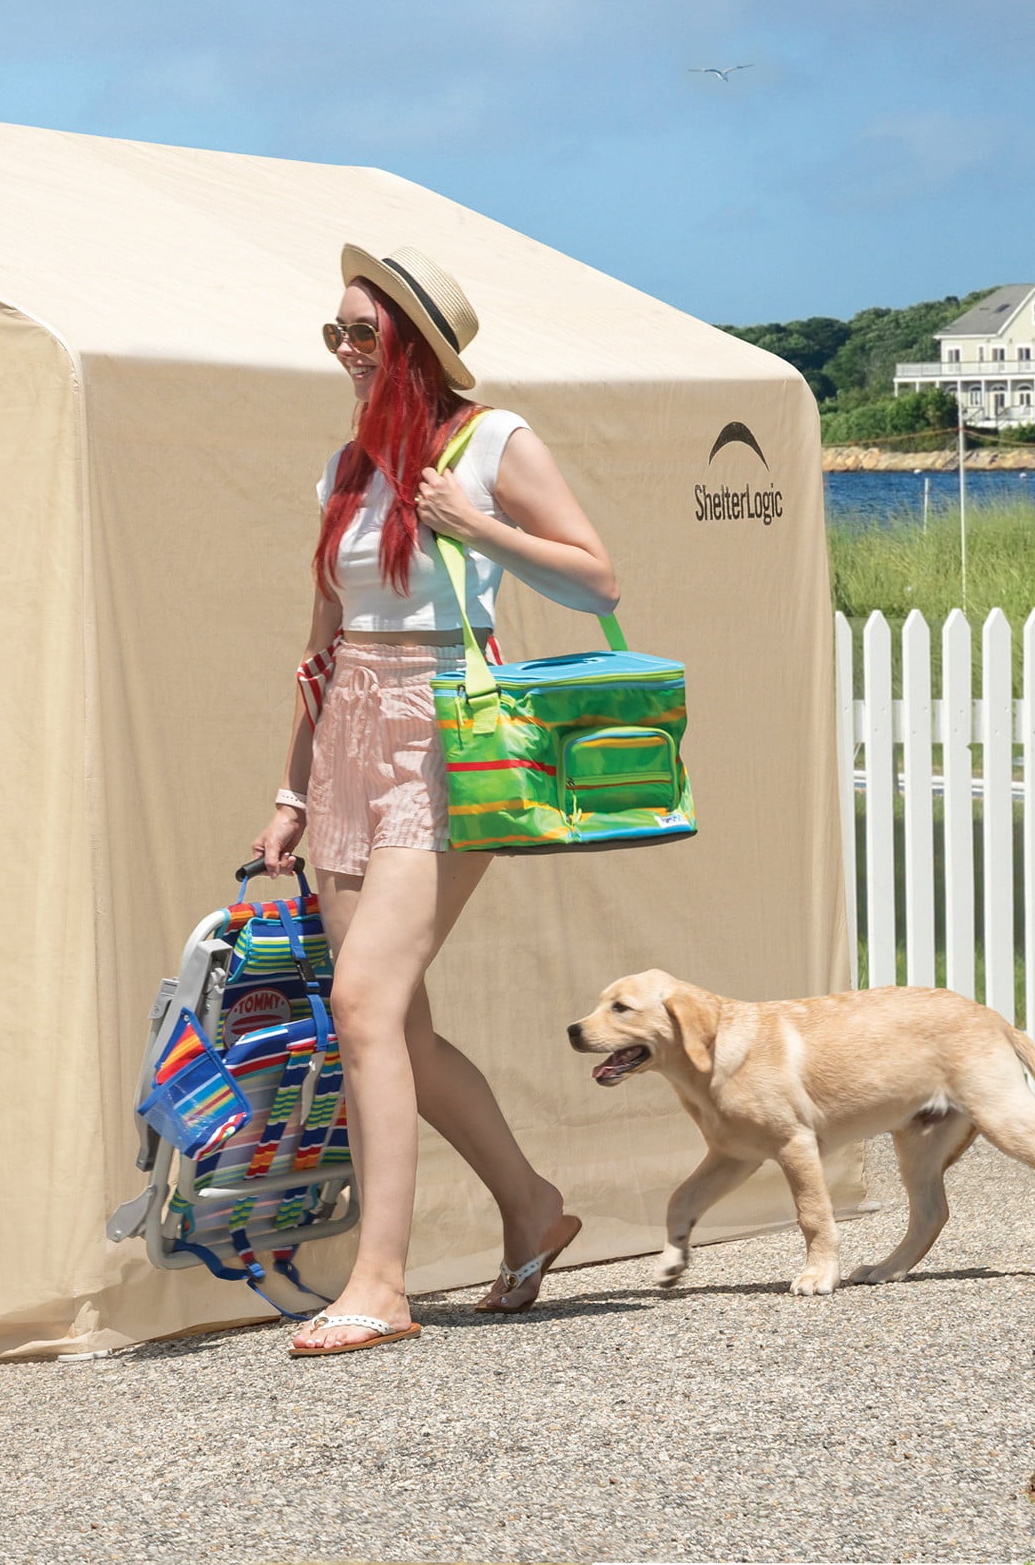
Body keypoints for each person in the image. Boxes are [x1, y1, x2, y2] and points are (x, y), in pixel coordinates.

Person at [252, 244, 622, 1359]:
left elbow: (596, 576)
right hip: (349, 734)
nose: (344, 353)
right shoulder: (342, 468)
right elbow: (318, 645)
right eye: (335, 333)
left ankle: (379, 1280)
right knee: (393, 1020)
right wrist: (288, 785)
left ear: (412, 343)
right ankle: (530, 1204)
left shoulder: (490, 439)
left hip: (446, 732)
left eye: (360, 333)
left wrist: (473, 523)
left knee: (364, 1004)